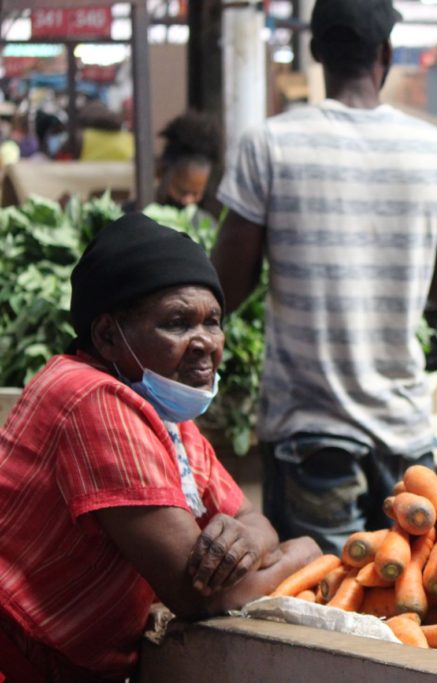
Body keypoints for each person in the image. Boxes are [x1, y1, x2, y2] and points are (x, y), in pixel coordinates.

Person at [0, 213, 320, 682]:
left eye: (213, 322)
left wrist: (249, 539)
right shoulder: (93, 399)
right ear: (108, 335)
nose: (204, 344)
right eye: (177, 323)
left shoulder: (162, 411)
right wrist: (304, 555)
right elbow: (199, 595)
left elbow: (250, 518)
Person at [213, 0, 437, 554]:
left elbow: (226, 291)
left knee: (319, 611)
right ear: (385, 53)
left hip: (308, 433)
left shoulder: (269, 144)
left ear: (316, 53)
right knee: (407, 604)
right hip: (405, 434)